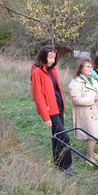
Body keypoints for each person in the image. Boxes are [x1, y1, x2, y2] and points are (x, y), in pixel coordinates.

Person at [30, 45, 73, 176]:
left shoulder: (52, 70)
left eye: (54, 57)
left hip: (58, 107)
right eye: (50, 57)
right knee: (64, 137)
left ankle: (57, 163)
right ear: (43, 56)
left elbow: (56, 90)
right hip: (50, 111)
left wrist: (62, 107)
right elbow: (38, 97)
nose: (52, 60)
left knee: (57, 137)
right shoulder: (37, 72)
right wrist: (46, 117)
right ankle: (67, 167)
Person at [69, 58, 98, 163]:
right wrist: (94, 98)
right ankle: (89, 158)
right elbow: (76, 100)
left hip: (94, 111)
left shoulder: (93, 80)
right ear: (81, 68)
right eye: (87, 67)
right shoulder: (76, 82)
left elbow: (97, 92)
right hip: (85, 113)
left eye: (91, 67)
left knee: (94, 134)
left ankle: (91, 152)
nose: (90, 68)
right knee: (92, 135)